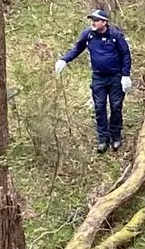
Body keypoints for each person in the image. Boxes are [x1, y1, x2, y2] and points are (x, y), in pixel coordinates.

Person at [55, 9, 132, 153]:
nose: (93, 23)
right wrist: (64, 60)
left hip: (116, 77)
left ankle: (116, 136)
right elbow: (77, 49)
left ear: (104, 22)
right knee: (99, 106)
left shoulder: (115, 35)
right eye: (92, 20)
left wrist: (126, 75)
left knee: (116, 106)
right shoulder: (88, 35)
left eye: (96, 20)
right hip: (98, 77)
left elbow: (126, 55)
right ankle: (103, 138)